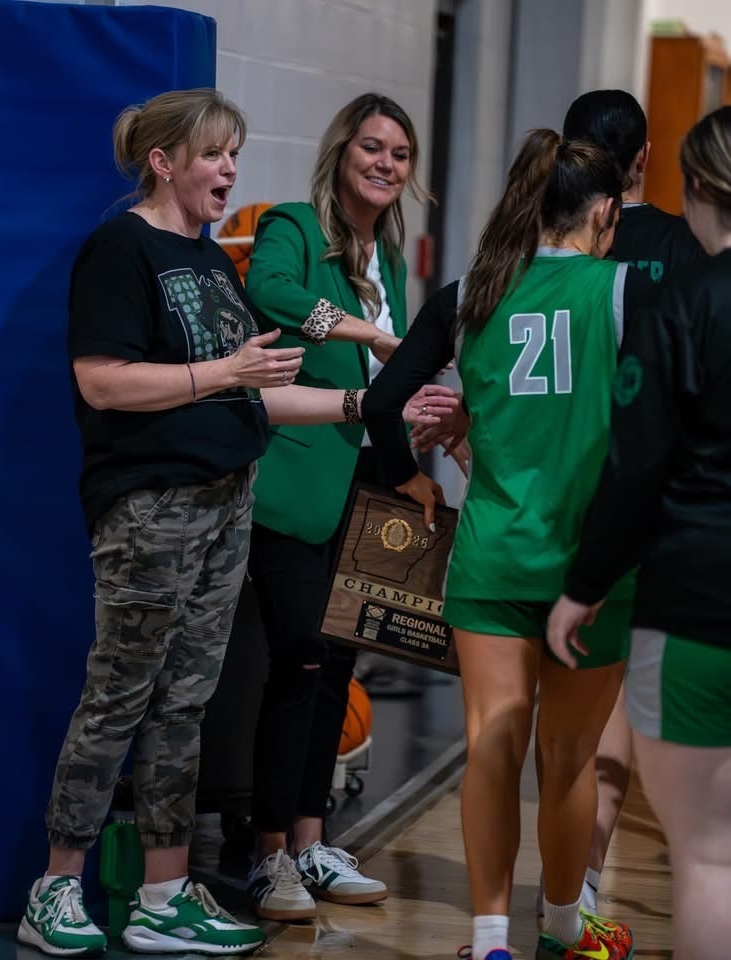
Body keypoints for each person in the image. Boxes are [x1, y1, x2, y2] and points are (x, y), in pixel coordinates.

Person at [17, 87, 452, 960]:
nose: (230, 172)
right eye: (216, 155)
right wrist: (221, 372)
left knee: (186, 705)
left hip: (225, 502)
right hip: (150, 508)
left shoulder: (214, 263)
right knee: (119, 698)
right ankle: (56, 885)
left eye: (235, 155)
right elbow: (103, 381)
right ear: (164, 161)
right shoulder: (121, 248)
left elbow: (260, 388)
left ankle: (165, 893)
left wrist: (365, 401)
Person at [362, 130, 655, 960]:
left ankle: (491, 940)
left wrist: (409, 477)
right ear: (605, 212)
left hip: (491, 557)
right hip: (592, 569)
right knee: (567, 761)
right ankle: (563, 927)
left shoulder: (471, 294)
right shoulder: (628, 291)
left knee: (491, 741)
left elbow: (386, 401)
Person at [243, 92, 434, 921]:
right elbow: (275, 295)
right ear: (342, 152)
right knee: (300, 658)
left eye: (400, 153)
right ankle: (267, 853)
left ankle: (313, 841)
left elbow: (386, 394)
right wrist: (373, 335)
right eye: (373, 147)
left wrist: (414, 467)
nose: (386, 163)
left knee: (340, 665)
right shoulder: (294, 225)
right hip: (296, 479)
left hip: (368, 483)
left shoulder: (386, 255)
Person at [548, 105, 731, 960]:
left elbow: (637, 464)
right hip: (691, 586)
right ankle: (577, 898)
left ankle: (575, 898)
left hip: (694, 590)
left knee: (707, 859)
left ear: (692, 185)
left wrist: (582, 587)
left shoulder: (681, 301)